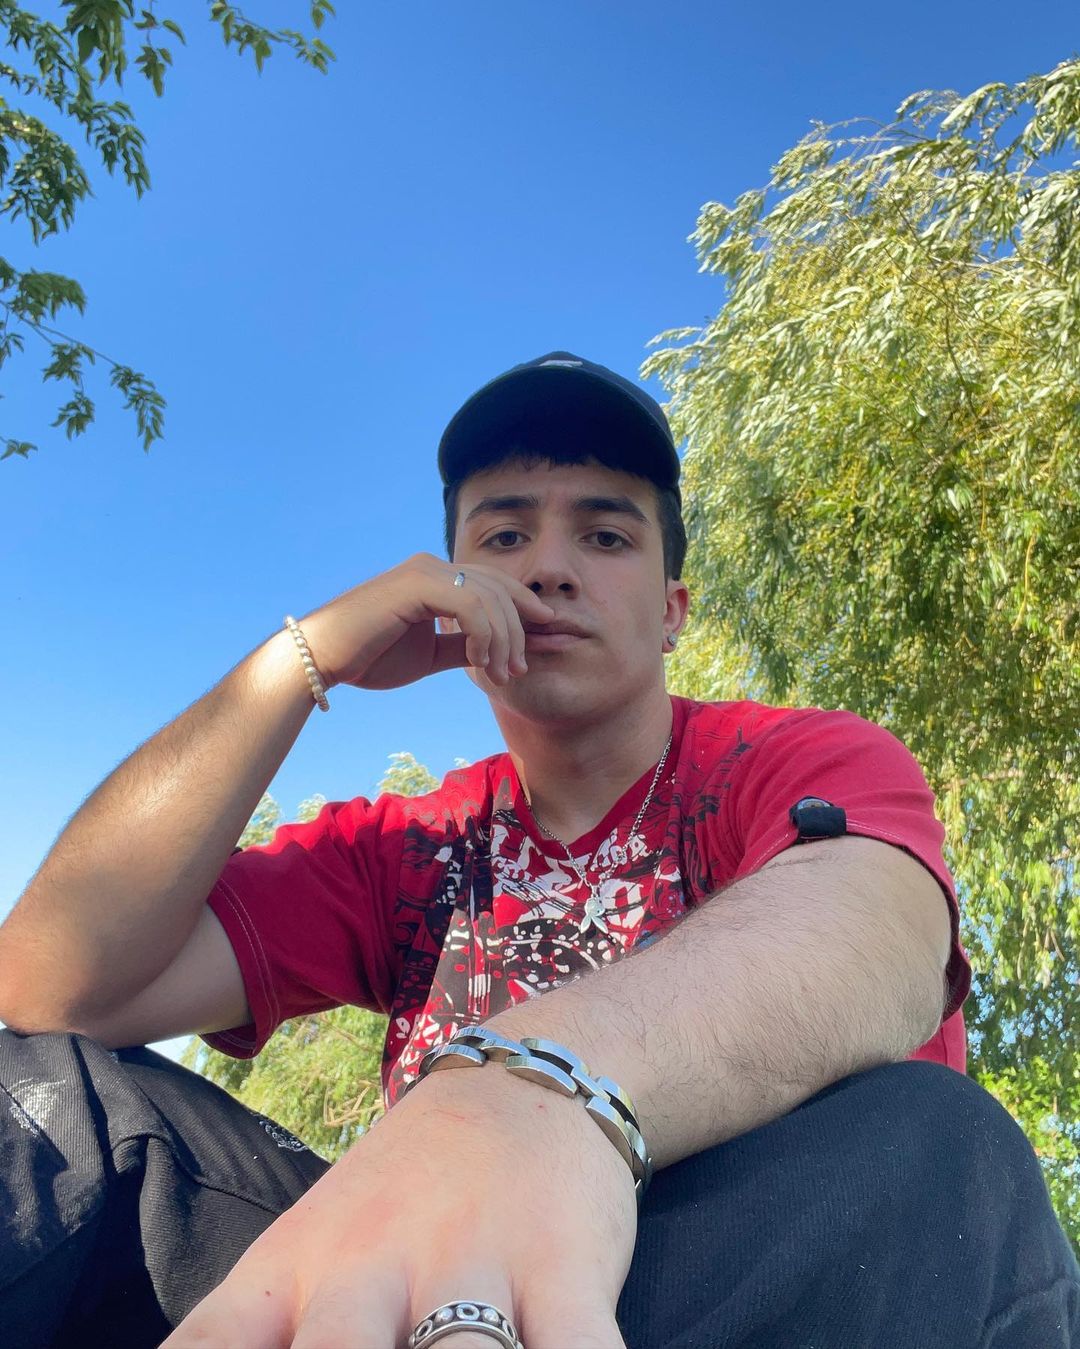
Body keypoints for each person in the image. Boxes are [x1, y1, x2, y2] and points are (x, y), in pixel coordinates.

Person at [0, 352, 1076, 1349]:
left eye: (605, 536)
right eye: (505, 536)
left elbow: (877, 929)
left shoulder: (795, 758)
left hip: (736, 1284)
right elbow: (53, 988)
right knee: (44, 1101)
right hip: (424, 1297)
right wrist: (301, 660)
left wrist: (527, 1085)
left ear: (673, 610)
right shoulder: (408, 846)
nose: (549, 567)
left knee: (940, 1141)